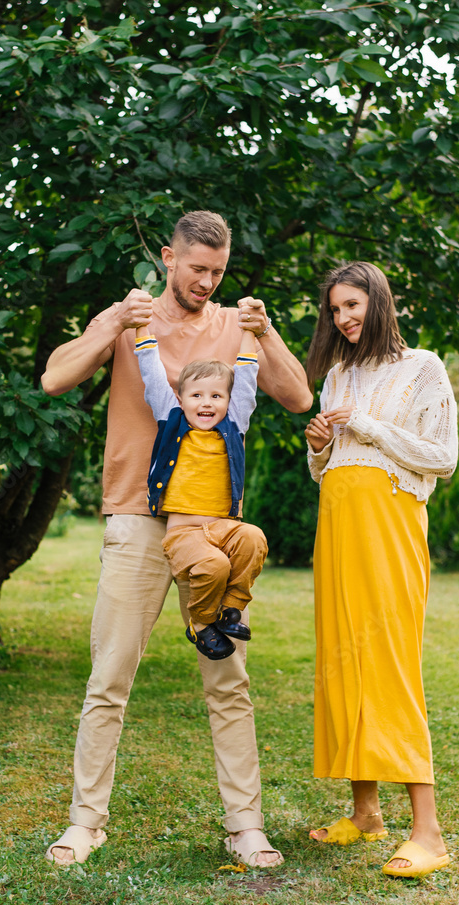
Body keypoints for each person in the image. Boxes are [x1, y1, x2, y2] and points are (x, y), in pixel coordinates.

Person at [41, 210, 312, 868]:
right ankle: (86, 822)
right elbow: (54, 377)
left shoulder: (231, 325)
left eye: (217, 272)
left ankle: (245, 825)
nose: (207, 282)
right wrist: (111, 322)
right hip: (137, 516)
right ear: (169, 258)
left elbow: (298, 396)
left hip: (214, 526)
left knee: (228, 677)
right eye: (197, 270)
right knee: (109, 677)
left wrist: (266, 330)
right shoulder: (131, 319)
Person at [304, 261, 458, 878]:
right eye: (335, 310)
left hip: (390, 526)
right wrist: (319, 445)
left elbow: (441, 456)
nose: (343, 319)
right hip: (338, 525)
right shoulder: (337, 376)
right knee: (343, 657)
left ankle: (430, 832)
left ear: (379, 302)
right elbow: (328, 469)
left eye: (352, 306)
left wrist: (366, 425)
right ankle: (365, 812)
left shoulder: (422, 366)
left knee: (388, 661)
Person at [134, 325, 267, 660]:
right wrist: (141, 327)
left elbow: (247, 380)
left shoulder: (234, 424)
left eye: (216, 396)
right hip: (185, 533)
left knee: (253, 539)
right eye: (197, 395)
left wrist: (250, 332)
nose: (206, 403)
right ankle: (201, 622)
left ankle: (229, 609)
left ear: (228, 401)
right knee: (213, 565)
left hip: (224, 527)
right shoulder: (172, 419)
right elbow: (152, 374)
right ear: (180, 399)